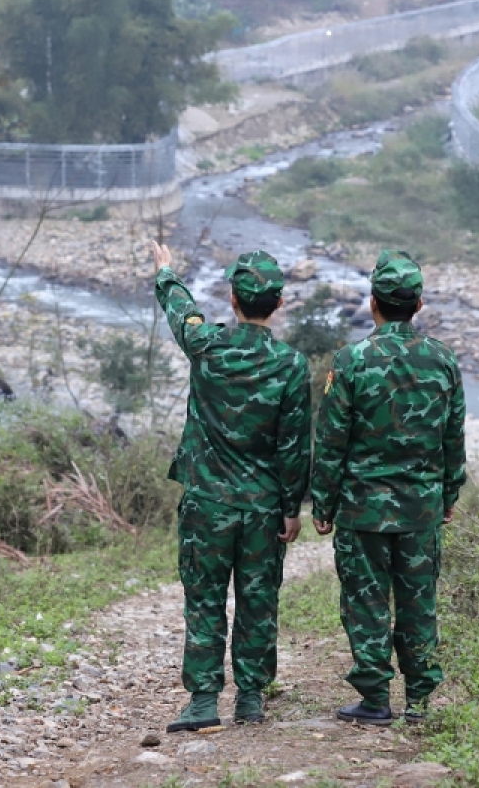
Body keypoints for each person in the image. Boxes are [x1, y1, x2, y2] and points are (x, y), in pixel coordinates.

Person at [150, 242, 312, 732]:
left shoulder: (207, 346)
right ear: (279, 303)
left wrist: (165, 272)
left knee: (204, 597)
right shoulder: (291, 365)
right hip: (263, 506)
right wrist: (291, 508)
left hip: (208, 503)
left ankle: (203, 703)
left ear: (232, 299)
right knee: (258, 596)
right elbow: (294, 446)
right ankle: (251, 698)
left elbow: (182, 314)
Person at [310, 250, 466, 726]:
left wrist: (323, 501)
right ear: (418, 305)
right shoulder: (442, 361)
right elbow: (452, 437)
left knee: (365, 600)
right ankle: (419, 701)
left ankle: (375, 698)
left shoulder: (352, 361)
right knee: (419, 601)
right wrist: (448, 496)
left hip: (362, 511)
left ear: (373, 301)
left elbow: (331, 438)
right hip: (420, 510)